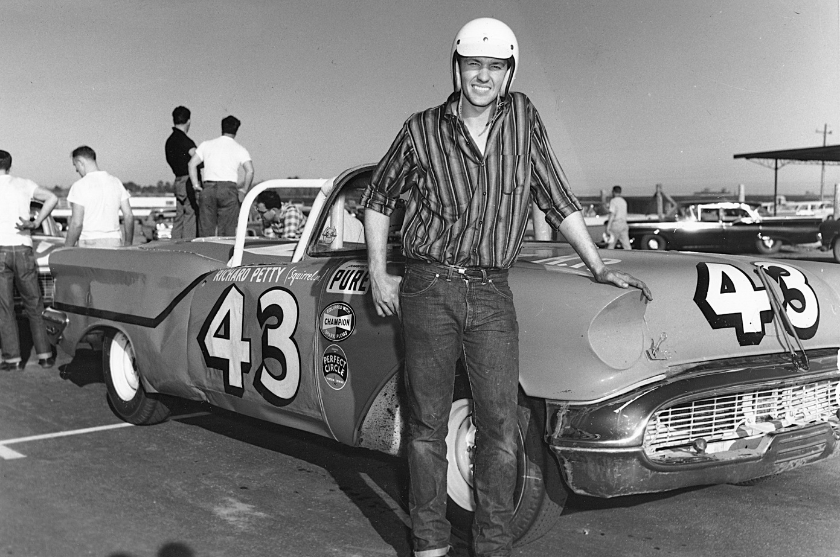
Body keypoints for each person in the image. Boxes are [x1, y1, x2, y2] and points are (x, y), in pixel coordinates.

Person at [361, 18, 652, 556]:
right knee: (426, 423)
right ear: (457, 67)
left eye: (495, 67)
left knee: (499, 424)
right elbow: (377, 200)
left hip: (492, 290)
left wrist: (596, 265)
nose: (484, 76)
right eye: (475, 64)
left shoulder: (524, 119)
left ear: (509, 72)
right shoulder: (421, 129)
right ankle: (428, 541)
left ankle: (492, 545)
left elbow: (556, 197)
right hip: (429, 286)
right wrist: (380, 272)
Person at [0, 150, 58, 370]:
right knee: (34, 304)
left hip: (0, 250)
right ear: (10, 165)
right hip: (23, 248)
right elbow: (53, 198)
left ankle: (12, 359)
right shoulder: (24, 184)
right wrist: (35, 222)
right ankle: (45, 355)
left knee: (5, 307)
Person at [188, 115, 254, 237]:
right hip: (228, 189)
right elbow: (250, 171)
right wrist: (244, 189)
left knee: (206, 229)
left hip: (208, 187)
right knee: (227, 231)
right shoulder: (240, 149)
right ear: (236, 130)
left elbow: (192, 164)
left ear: (222, 127)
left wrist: (196, 185)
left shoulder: (206, 145)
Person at [65, 146, 134, 248]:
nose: (76, 170)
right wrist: (128, 243)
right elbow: (129, 216)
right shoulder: (116, 182)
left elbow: (76, 223)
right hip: (114, 242)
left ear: (80, 162)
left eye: (75, 165)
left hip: (89, 242)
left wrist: (66, 248)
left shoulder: (79, 186)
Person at [165, 105, 198, 239]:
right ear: (188, 121)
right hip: (187, 181)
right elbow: (196, 157)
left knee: (180, 215)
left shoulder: (169, 141)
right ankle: (188, 244)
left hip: (178, 180)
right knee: (190, 214)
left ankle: (175, 244)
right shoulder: (185, 141)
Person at [606, 185, 632, 250]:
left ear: (613, 192)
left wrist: (608, 227)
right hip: (624, 224)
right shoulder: (623, 201)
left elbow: (612, 214)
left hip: (616, 224)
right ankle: (631, 257)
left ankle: (609, 258)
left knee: (611, 244)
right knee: (626, 245)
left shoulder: (613, 201)